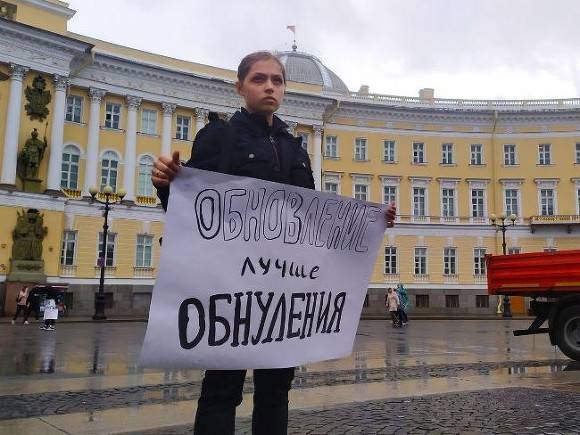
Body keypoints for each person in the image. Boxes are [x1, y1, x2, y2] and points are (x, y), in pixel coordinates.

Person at [152, 51, 397, 435]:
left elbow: (312, 219)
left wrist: (369, 224)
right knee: (221, 391)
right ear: (240, 87)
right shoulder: (218, 138)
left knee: (275, 391)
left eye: (277, 80)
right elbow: (194, 210)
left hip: (283, 291)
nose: (269, 87)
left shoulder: (294, 148)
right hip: (229, 288)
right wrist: (166, 184)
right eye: (259, 79)